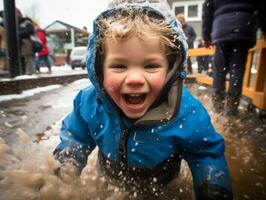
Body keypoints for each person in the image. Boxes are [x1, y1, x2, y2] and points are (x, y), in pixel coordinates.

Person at [54, 0, 233, 199]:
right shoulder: (88, 105)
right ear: (99, 68)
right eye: (120, 66)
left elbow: (205, 153)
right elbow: (75, 137)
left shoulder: (186, 112)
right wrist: (63, 174)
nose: (135, 79)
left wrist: (213, 189)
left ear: (170, 69)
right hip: (110, 180)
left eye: (150, 66)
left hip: (163, 184)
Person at [202, 0, 266, 116]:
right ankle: (232, 111)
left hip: (221, 28)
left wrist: (206, 35)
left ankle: (218, 110)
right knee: (237, 71)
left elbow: (207, 10)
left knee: (219, 71)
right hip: (244, 25)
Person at [16, 8, 35, 75]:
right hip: (18, 42)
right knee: (20, 59)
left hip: (25, 42)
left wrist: (20, 34)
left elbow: (31, 31)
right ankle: (22, 73)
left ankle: (30, 73)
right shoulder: (14, 23)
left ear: (19, 13)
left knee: (27, 58)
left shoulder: (26, 21)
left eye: (16, 13)